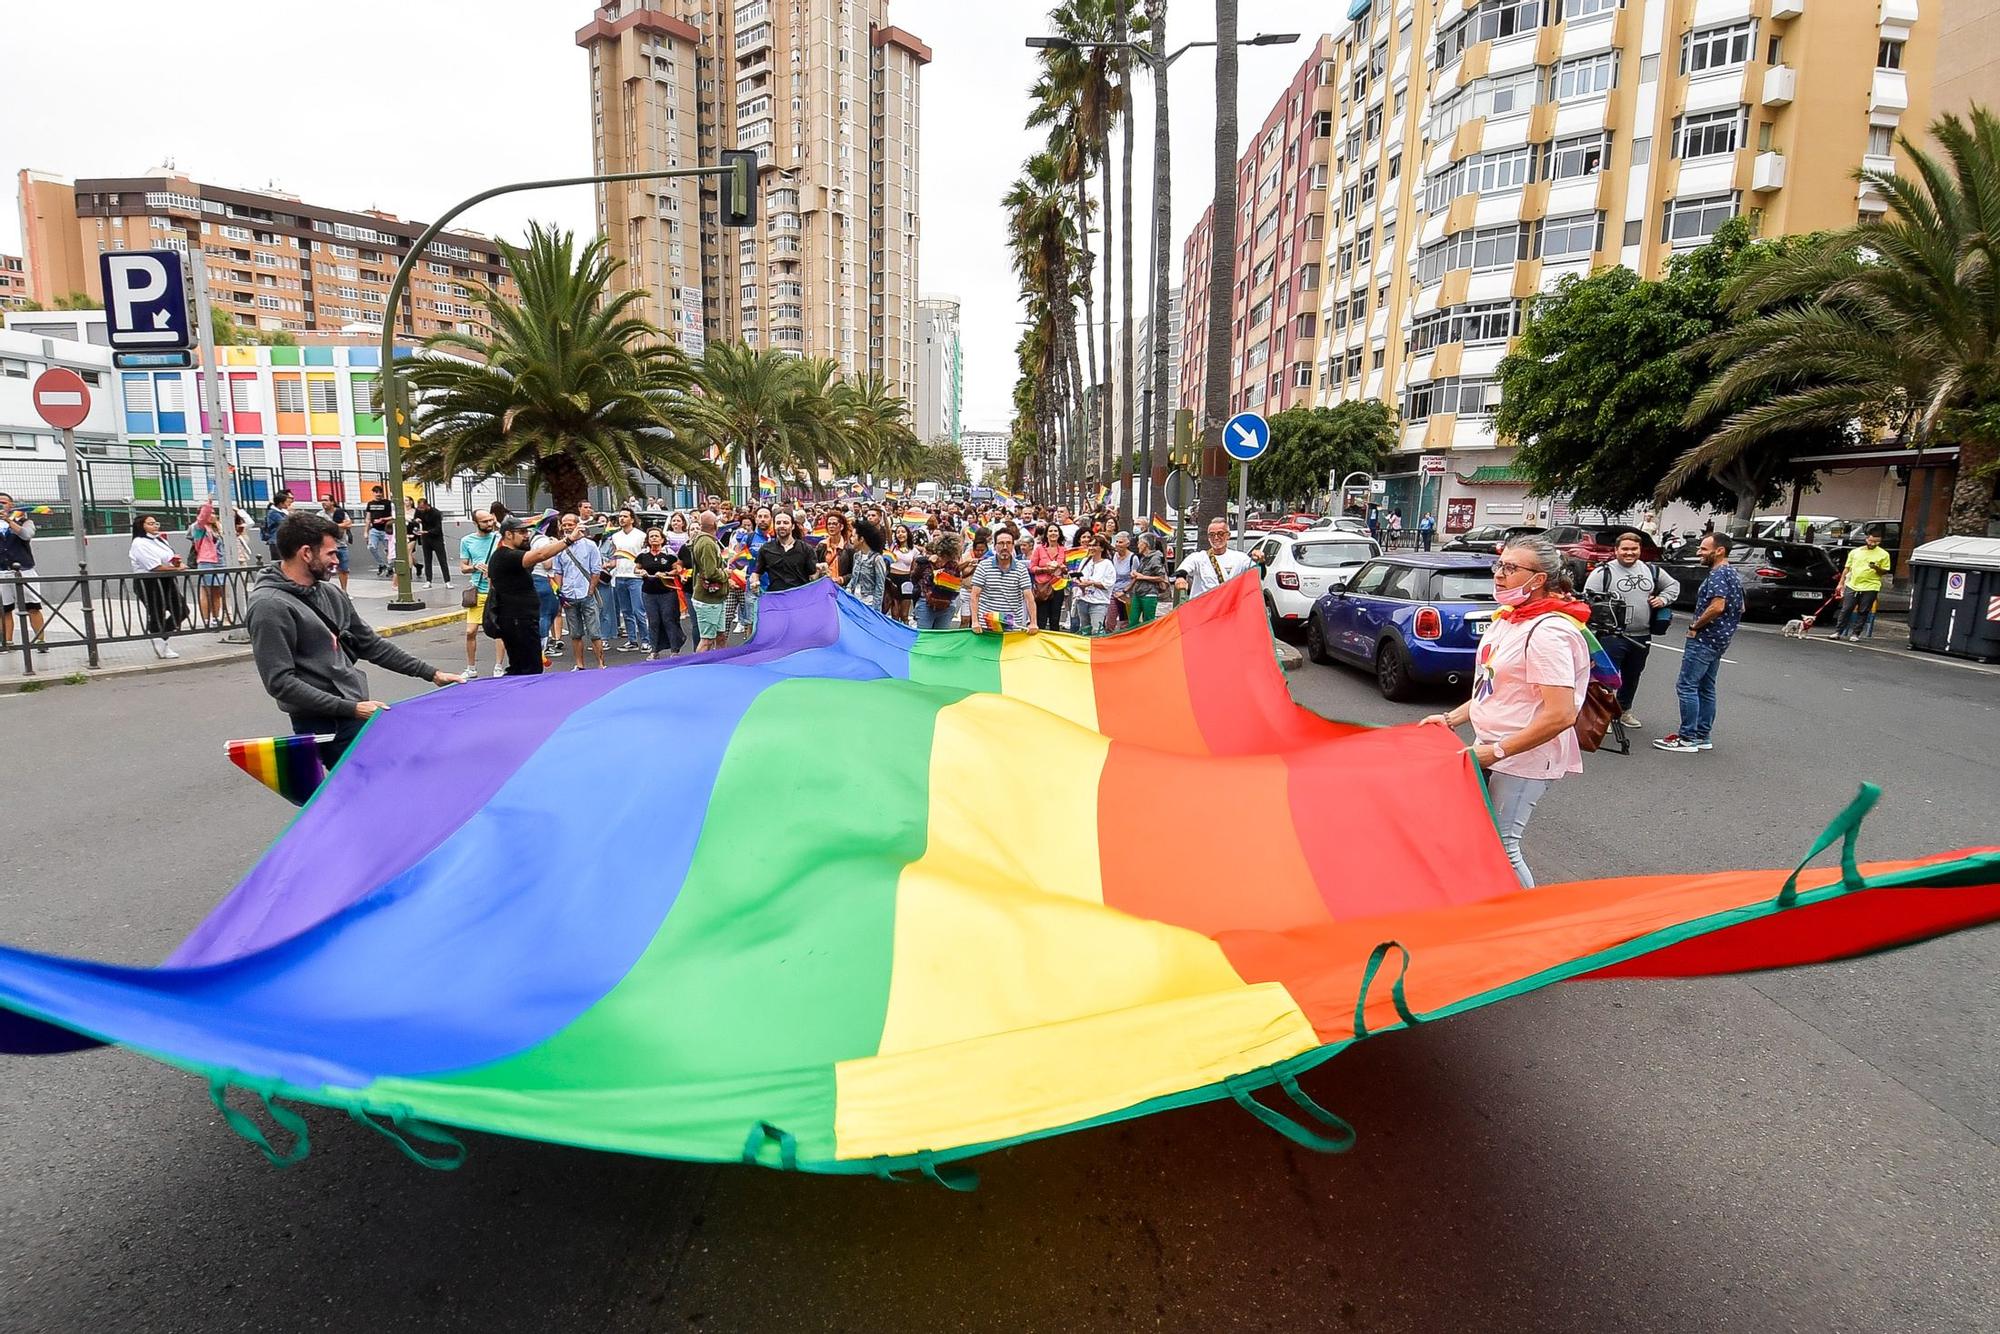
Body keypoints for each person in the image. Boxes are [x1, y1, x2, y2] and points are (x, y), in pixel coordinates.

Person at [1421, 535, 1589, 887]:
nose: (1499, 574)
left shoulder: (1549, 632)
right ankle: (1487, 908)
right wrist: (1452, 718)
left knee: (1504, 847)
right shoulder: (1509, 619)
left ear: (1539, 579)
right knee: (1480, 839)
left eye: (1511, 568)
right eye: (1500, 564)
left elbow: (1560, 715)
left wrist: (1496, 751)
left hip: (1524, 757)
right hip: (1495, 747)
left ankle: (1524, 925)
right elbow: (1494, 689)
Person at [246, 512, 460, 767]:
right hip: (324, 722)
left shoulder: (329, 591)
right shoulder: (269, 606)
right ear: (306, 553)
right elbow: (280, 683)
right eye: (331, 554)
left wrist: (432, 674)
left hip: (354, 711)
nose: (336, 561)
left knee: (384, 781)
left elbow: (370, 644)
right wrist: (351, 709)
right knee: (368, 788)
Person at [1655, 532, 1744, 754]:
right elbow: (1741, 607)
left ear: (1719, 550)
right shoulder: (1733, 574)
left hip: (1704, 639)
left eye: (1704, 549)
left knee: (1687, 686)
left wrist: (1695, 625)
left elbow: (1717, 606)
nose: (1699, 553)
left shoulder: (1717, 575)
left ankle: (1687, 738)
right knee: (1706, 687)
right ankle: (1703, 735)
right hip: (1720, 640)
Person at [1582, 532, 1679, 729]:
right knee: (1606, 676)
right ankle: (1601, 716)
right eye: (1625, 549)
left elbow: (1673, 586)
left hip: (1641, 634)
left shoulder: (1652, 571)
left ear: (1639, 550)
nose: (1629, 553)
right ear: (1616, 550)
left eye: (1634, 549)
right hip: (1610, 635)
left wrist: (1663, 599)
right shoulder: (1603, 572)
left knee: (1633, 675)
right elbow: (1588, 600)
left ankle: (1623, 711)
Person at [484, 515, 566, 676]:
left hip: (522, 619)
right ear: (508, 534)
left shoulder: (515, 554)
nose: (527, 535)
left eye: (527, 532)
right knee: (526, 667)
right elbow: (541, 555)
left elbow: (537, 556)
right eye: (521, 532)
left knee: (528, 666)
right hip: (516, 620)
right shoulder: (504, 555)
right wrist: (568, 540)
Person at [548, 512, 608, 669]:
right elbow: (557, 571)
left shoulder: (590, 545)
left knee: (595, 632)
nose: (567, 527)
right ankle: (579, 664)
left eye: (570, 524)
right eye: (565, 524)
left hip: (586, 593)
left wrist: (590, 590)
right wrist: (560, 594)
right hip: (569, 595)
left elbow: (596, 570)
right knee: (575, 634)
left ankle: (601, 664)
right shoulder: (560, 547)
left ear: (578, 525)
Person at [128, 515, 188, 659]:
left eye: (156, 523)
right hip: (149, 582)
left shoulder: (160, 540)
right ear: (142, 526)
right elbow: (154, 566)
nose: (155, 526)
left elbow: (167, 558)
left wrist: (176, 563)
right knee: (157, 612)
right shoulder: (139, 543)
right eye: (150, 523)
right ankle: (159, 640)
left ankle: (161, 636)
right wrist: (176, 569)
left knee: (181, 610)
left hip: (166, 580)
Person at [458, 509, 503, 680]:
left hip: (496, 590)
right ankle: (471, 667)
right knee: (471, 631)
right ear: (476, 523)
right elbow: (463, 567)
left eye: (491, 520)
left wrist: (494, 569)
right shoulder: (467, 541)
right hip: (478, 591)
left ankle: (498, 666)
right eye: (485, 521)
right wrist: (474, 566)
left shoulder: (499, 539)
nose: (489, 524)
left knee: (499, 631)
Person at [967, 527, 1037, 634]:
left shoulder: (1021, 568)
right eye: (1001, 543)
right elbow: (974, 595)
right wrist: (975, 621)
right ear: (995, 546)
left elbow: (1028, 596)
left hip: (1012, 626)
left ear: (1013, 546)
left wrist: (1033, 622)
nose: (1005, 547)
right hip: (986, 625)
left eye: (1008, 543)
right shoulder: (983, 566)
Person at [0, 495, 46, 655]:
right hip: (2, 571)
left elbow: (26, 535)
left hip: (24, 569)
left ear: (11, 505)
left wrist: (9, 521)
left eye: (3, 503)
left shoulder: (25, 521)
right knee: (4, 609)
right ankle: (7, 642)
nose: (0, 505)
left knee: (32, 607)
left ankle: (40, 641)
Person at [1175, 518, 1256, 600]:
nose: (1216, 538)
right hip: (1204, 609)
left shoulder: (1240, 558)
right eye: (1212, 535)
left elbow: (1259, 573)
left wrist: (1260, 560)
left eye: (1220, 534)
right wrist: (1180, 578)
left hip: (1229, 609)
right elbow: (1183, 570)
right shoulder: (1199, 558)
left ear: (1228, 535)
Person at [1833, 529, 1892, 641]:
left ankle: (1856, 633)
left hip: (1871, 586)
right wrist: (1841, 583)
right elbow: (1847, 569)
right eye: (1871, 541)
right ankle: (1838, 632)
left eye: (1876, 542)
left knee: (1864, 610)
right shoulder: (1855, 552)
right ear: (1866, 539)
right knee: (1846, 609)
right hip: (1853, 584)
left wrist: (1876, 568)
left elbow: (1885, 571)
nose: (1873, 544)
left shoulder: (1884, 554)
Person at [636, 528, 685, 659]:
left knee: (669, 619)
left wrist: (666, 574)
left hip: (667, 592)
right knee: (653, 621)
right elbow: (636, 568)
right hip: (649, 592)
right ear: (648, 539)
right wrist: (640, 572)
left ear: (662, 539)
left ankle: (675, 650)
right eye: (651, 536)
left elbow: (678, 569)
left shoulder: (669, 553)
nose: (654, 538)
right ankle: (654, 650)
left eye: (656, 536)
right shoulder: (643, 555)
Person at [606, 508, 650, 651]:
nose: (622, 519)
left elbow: (645, 556)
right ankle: (632, 640)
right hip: (619, 576)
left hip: (635, 577)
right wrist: (608, 565)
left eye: (625, 516)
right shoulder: (615, 537)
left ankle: (646, 640)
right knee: (626, 611)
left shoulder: (641, 536)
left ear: (632, 519)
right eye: (620, 516)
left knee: (639, 610)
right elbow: (614, 557)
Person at [686, 510, 730, 652]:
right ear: (714, 525)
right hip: (708, 599)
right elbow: (710, 572)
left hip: (716, 597)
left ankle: (720, 667)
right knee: (707, 640)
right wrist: (726, 574)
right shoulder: (706, 543)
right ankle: (699, 670)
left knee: (720, 636)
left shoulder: (706, 541)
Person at [752, 510, 816, 593]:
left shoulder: (806, 549)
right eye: (778, 523)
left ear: (792, 526)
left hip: (801, 598)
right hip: (776, 599)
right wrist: (755, 582)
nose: (781, 526)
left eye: (785, 523)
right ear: (774, 526)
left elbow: (813, 577)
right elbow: (757, 572)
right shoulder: (766, 549)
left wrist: (821, 572)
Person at [187, 502, 225, 629]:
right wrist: (208, 504)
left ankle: (216, 618)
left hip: (220, 562)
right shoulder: (198, 528)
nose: (212, 515)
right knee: (207, 590)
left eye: (214, 513)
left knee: (217, 591)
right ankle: (207, 619)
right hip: (207, 561)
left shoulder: (216, 528)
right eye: (210, 513)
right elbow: (202, 517)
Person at [912, 533, 960, 631]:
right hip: (925, 604)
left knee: (940, 638)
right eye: (943, 555)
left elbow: (956, 587)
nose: (945, 558)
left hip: (947, 605)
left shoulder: (954, 566)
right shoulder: (925, 563)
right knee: (924, 637)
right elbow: (914, 578)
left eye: (949, 556)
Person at [1029, 523, 1068, 632]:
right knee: (1041, 619)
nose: (1053, 533)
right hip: (1042, 588)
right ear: (1046, 534)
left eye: (1055, 531)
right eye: (1050, 531)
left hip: (1058, 587)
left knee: (1055, 619)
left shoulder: (1064, 550)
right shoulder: (1039, 549)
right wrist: (1045, 569)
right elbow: (1032, 568)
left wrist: (1064, 569)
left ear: (1059, 534)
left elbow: (1068, 569)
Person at [1076, 535, 1116, 635]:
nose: (1091, 548)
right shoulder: (1085, 561)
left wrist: (1091, 583)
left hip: (1099, 602)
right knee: (1085, 630)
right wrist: (1079, 583)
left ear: (1102, 548)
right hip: (1083, 600)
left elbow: (1108, 584)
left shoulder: (1107, 564)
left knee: (1096, 630)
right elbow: (1078, 576)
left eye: (1094, 545)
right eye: (1090, 545)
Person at [411, 497, 452, 591]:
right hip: (425, 539)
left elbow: (438, 528)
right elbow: (414, 521)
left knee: (442, 560)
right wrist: (416, 521)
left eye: (422, 508)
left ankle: (447, 581)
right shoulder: (418, 511)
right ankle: (428, 580)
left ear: (426, 505)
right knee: (427, 560)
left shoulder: (435, 513)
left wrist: (427, 532)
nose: (420, 510)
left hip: (436, 538)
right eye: (419, 508)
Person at [847, 520, 888, 611]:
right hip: (855, 602)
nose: (851, 539)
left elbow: (880, 586)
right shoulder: (856, 556)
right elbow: (854, 578)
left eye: (853, 536)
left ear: (861, 539)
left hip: (869, 604)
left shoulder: (877, 559)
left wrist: (876, 610)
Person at [1129, 533, 1170, 625]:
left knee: (1148, 622)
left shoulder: (1155, 558)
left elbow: (1161, 577)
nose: (1137, 545)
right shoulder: (1143, 558)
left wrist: (1142, 577)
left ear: (1145, 544)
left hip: (1149, 593)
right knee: (1133, 621)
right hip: (1138, 592)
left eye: (1139, 543)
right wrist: (1135, 573)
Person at [318, 495, 353, 591]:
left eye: (326, 500)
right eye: (322, 500)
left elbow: (349, 524)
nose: (323, 502)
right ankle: (324, 590)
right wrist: (340, 526)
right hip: (326, 547)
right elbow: (320, 528)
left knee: (344, 569)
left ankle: (344, 591)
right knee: (326, 569)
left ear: (332, 502)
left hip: (341, 545)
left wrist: (332, 526)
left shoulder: (341, 513)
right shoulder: (320, 515)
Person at [885, 525, 917, 623]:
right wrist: (884, 514)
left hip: (906, 581)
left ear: (908, 534)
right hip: (892, 580)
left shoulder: (914, 550)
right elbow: (888, 530)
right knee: (895, 614)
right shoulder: (893, 546)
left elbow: (913, 569)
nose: (900, 534)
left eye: (903, 531)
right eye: (898, 532)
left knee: (904, 615)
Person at [1108, 530, 1137, 630]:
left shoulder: (1133, 558)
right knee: (1109, 621)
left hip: (1126, 594)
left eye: (1120, 542)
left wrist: (1124, 591)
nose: (1117, 544)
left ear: (1127, 543)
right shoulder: (1113, 556)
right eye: (1116, 542)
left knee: (1124, 622)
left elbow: (1135, 577)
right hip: (1113, 592)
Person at [363, 485, 394, 576]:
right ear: (373, 493)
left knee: (389, 550)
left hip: (386, 530)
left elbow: (393, 516)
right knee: (371, 547)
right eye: (376, 492)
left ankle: (390, 567)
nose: (378, 494)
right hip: (374, 530)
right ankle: (381, 564)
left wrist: (383, 519)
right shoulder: (370, 504)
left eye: (380, 492)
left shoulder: (387, 503)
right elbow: (368, 518)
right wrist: (366, 531)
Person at [260, 490, 294, 562]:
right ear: (281, 503)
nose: (289, 504)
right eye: (287, 502)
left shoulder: (282, 512)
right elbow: (286, 523)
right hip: (276, 541)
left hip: (281, 541)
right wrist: (291, 514)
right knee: (279, 562)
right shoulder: (273, 513)